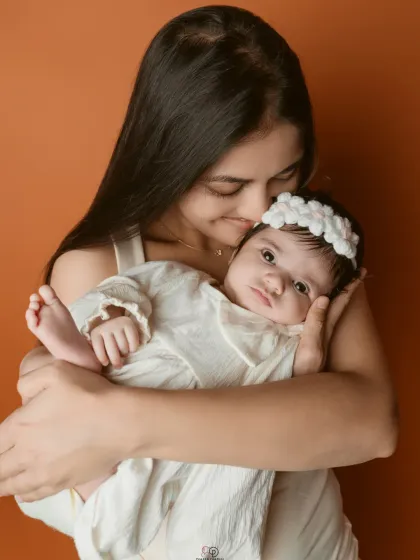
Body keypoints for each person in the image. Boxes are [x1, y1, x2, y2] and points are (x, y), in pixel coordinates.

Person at [0, 5, 397, 559]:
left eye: (285, 174)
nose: (261, 207)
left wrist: (122, 418)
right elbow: (87, 464)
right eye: (227, 185)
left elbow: (371, 424)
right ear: (168, 159)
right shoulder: (108, 267)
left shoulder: (302, 251)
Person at [18, 191, 364, 560]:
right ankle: (80, 357)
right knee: (99, 383)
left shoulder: (284, 344)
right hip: (127, 379)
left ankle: (84, 387)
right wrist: (112, 315)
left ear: (315, 308)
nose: (275, 281)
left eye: (301, 286)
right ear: (238, 250)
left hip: (182, 439)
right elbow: (131, 287)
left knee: (129, 492)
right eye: (268, 256)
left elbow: (288, 412)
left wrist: (306, 366)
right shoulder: (182, 280)